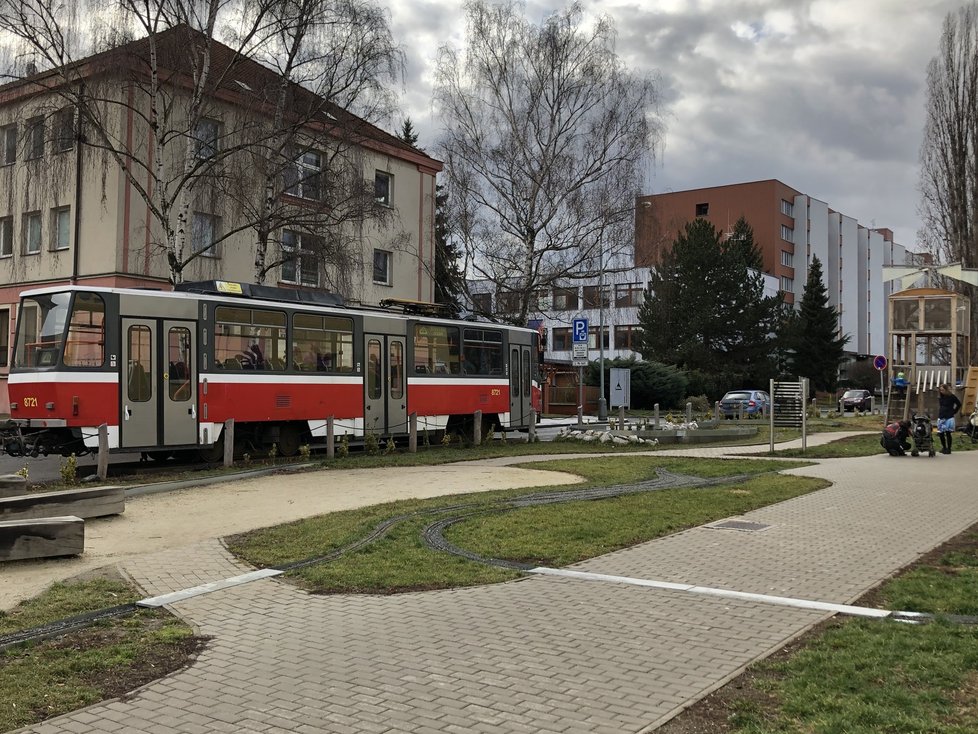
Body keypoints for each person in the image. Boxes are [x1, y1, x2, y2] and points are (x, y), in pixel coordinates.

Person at [937, 383, 962, 454]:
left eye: (943, 390)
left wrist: (954, 411)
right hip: (941, 416)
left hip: (949, 416)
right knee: (941, 433)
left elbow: (959, 404)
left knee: (948, 433)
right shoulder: (940, 397)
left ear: (946, 390)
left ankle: (949, 449)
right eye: (940, 390)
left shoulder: (952, 397)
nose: (941, 391)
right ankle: (944, 447)